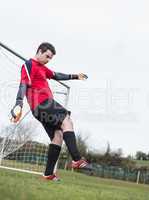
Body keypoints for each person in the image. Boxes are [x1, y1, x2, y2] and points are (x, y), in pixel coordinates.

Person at [10, 42, 91, 181]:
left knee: (58, 136)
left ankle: (48, 174)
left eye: (50, 58)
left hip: (40, 108)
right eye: (47, 56)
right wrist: (19, 102)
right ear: (40, 51)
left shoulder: (43, 68)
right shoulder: (28, 65)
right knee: (67, 120)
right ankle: (77, 159)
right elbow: (23, 83)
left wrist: (75, 76)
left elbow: (56, 75)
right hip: (42, 103)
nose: (48, 60)